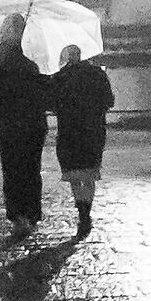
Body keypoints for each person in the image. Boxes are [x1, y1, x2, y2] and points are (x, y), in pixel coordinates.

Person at [0, 12, 50, 238]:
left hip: (10, 122)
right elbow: (44, 92)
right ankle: (32, 213)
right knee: (31, 168)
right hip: (34, 122)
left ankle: (18, 215)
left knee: (12, 169)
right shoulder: (33, 59)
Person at [50, 42, 115, 238]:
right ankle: (87, 211)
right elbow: (109, 101)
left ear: (68, 57)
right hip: (93, 131)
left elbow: (52, 103)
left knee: (74, 174)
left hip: (69, 132)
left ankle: (81, 210)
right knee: (89, 173)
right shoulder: (98, 75)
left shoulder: (60, 77)